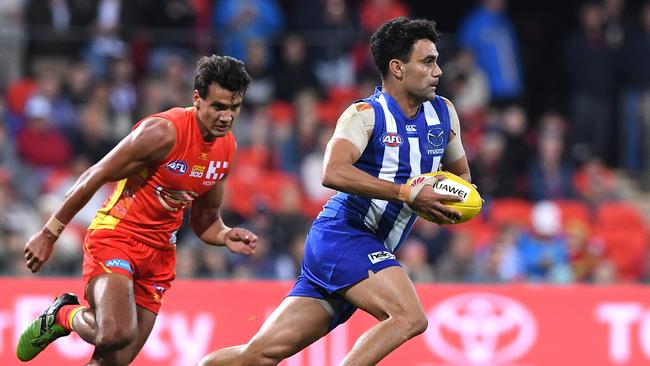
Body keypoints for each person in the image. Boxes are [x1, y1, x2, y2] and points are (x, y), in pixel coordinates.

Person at [199, 17, 472, 366]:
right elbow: (333, 171)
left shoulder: (444, 114)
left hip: (364, 250)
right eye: (428, 62)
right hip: (344, 234)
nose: (438, 71)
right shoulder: (365, 115)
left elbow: (461, 176)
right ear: (397, 68)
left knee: (258, 355)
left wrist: (450, 204)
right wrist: (407, 193)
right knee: (409, 317)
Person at [17, 55, 258, 365]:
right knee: (115, 333)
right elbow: (96, 174)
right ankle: (63, 314)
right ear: (197, 99)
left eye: (234, 108)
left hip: (159, 257)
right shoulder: (162, 132)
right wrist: (49, 233)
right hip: (118, 236)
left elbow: (206, 221)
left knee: (113, 360)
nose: (226, 117)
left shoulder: (227, 149)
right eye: (218, 107)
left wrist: (225, 235)